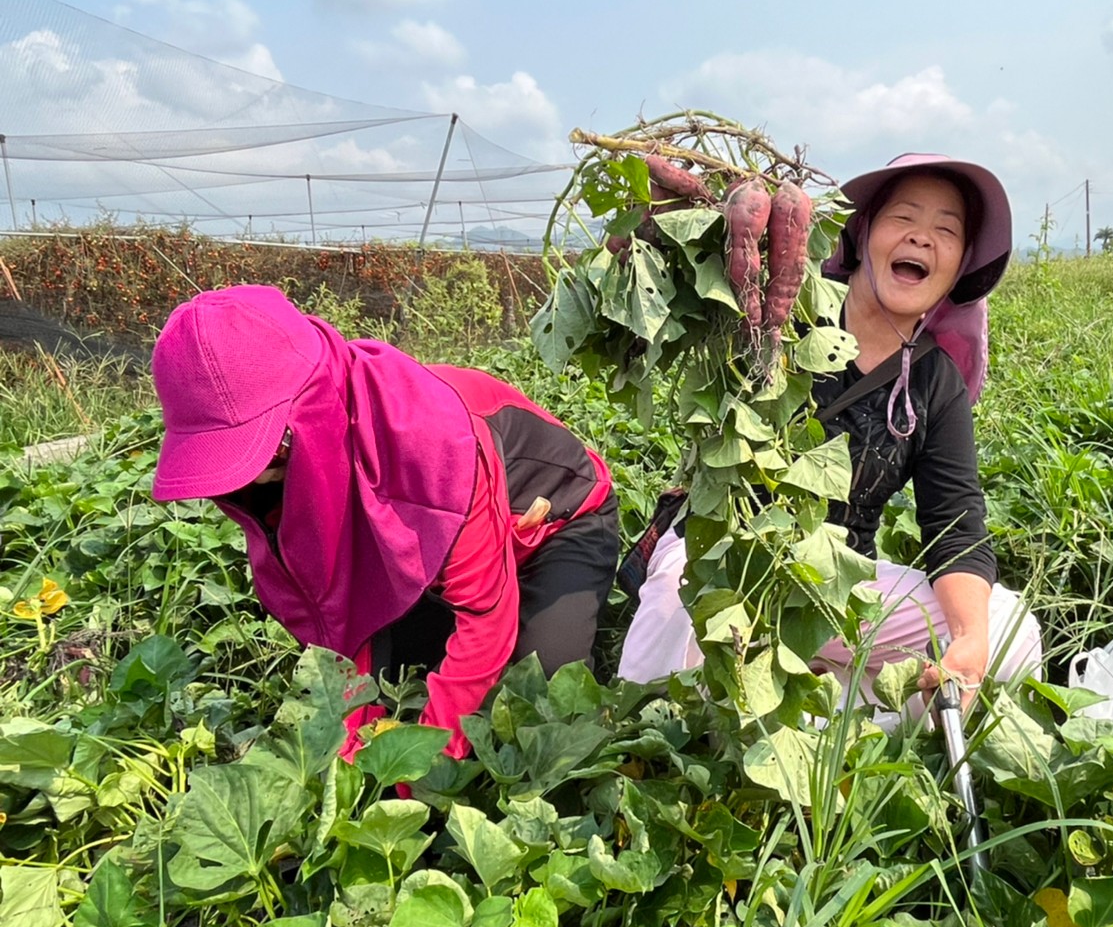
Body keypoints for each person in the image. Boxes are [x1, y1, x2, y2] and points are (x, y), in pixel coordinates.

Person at [618, 153, 1041, 713]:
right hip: (724, 551)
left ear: (960, 263)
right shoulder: (781, 316)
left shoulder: (936, 382)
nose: (922, 238)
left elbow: (956, 522)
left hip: (836, 587)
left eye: (946, 230)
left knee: (1009, 633)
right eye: (903, 219)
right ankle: (659, 743)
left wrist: (970, 638)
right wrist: (676, 224)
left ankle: (825, 693)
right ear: (862, 233)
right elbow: (690, 294)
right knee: (682, 609)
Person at [150, 285, 618, 759]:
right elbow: (349, 609)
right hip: (446, 553)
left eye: (269, 446)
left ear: (307, 407)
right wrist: (350, 752)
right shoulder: (316, 447)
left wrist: (413, 775)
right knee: (397, 684)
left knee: (539, 695)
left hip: (559, 524)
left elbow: (484, 618)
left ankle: (625, 576)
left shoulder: (432, 446)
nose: (252, 475)